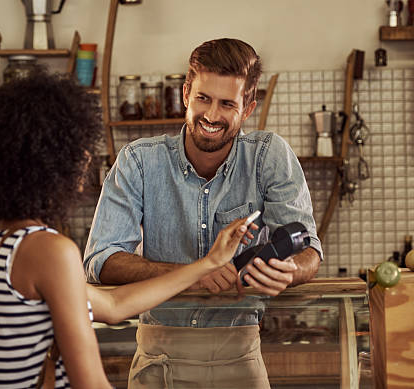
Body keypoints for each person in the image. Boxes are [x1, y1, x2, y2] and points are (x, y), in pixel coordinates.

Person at [0, 72, 254, 389]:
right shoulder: (49, 252)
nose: (85, 156)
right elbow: (90, 383)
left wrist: (205, 265)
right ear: (43, 159)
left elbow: (113, 306)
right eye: (76, 146)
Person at [84, 38, 323, 388]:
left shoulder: (269, 156)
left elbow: (309, 251)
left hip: (240, 357)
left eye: (227, 103)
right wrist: (191, 274)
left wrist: (290, 271)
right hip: (158, 358)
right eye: (203, 99)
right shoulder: (138, 160)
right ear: (185, 94)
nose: (211, 115)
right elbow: (99, 261)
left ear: (248, 108)